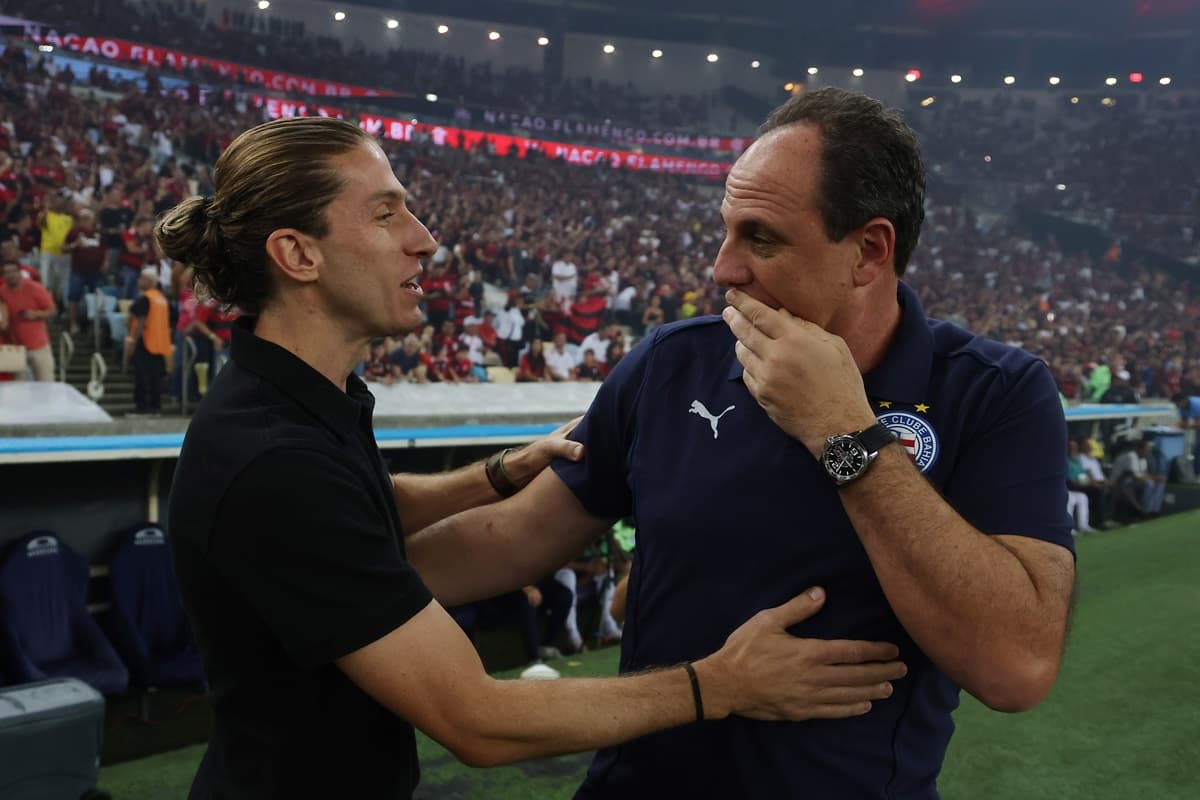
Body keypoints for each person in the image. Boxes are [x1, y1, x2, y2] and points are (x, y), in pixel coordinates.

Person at [159, 117, 905, 800]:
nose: (422, 237)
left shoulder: (302, 403)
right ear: (297, 254)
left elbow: (354, 507)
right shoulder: (271, 458)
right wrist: (721, 683)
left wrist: (493, 474)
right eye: (385, 214)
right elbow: (478, 720)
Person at [406, 88, 1076, 798]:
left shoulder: (994, 392)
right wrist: (325, 572)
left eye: (761, 238)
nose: (724, 269)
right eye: (727, 231)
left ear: (869, 251)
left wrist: (843, 432)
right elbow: (510, 539)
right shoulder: (673, 363)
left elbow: (1016, 668)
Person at [0, 257, 56, 381]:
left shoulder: (35, 288)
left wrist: (36, 314)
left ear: (20, 272)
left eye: (13, 271)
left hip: (38, 346)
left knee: (46, 384)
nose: (10, 275)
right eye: (7, 272)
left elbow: (52, 310)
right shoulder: (2, 292)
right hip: (15, 347)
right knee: (17, 388)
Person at [125, 268, 171, 415]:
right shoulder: (162, 299)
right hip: (160, 344)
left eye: (142, 279)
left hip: (145, 342)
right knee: (156, 378)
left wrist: (132, 341)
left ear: (150, 281)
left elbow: (140, 321)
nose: (139, 281)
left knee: (142, 376)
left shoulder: (145, 298)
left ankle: (142, 407)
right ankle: (155, 407)